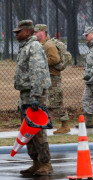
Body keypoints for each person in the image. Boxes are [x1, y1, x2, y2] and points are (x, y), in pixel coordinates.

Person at [13, 20, 53, 175]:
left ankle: (45, 163)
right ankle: (36, 162)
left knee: (37, 130)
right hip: (25, 94)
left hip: (34, 94)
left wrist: (35, 96)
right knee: (27, 131)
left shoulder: (34, 47)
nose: (16, 34)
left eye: (19, 31)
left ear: (27, 32)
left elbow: (37, 73)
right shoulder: (25, 47)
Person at [34, 24, 70, 134]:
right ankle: (41, 122)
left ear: (43, 32)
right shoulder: (42, 44)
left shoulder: (48, 45)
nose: (35, 34)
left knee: (56, 101)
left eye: (36, 32)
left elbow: (55, 59)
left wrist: (41, 63)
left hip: (53, 77)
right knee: (43, 100)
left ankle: (65, 125)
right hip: (47, 76)